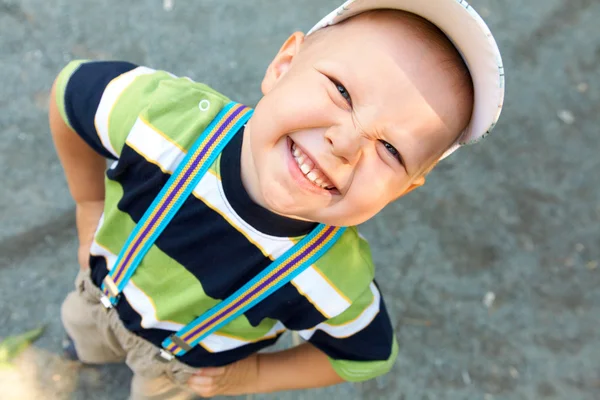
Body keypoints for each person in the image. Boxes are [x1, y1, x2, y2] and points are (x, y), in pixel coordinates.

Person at [49, 0, 504, 398]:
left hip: (177, 369)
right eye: (342, 91)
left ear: (403, 190)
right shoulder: (162, 120)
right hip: (99, 294)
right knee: (84, 333)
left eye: (391, 150)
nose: (345, 142)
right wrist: (88, 204)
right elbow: (69, 92)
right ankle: (85, 351)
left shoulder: (333, 281)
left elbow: (368, 356)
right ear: (284, 64)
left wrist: (251, 376)